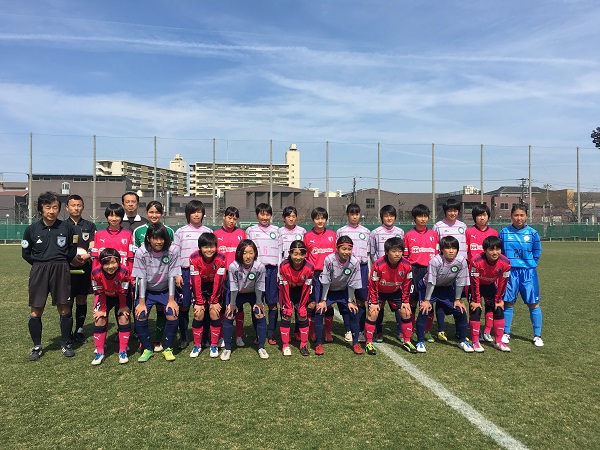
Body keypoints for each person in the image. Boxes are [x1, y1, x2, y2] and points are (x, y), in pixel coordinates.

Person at [22, 191, 79, 361]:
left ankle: (66, 343)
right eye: (48, 207)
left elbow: (72, 249)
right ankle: (37, 346)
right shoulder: (31, 229)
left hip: (61, 268)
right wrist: (40, 264)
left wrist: (61, 262)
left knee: (64, 307)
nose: (52, 211)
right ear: (41, 209)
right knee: (36, 309)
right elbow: (25, 253)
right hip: (39, 269)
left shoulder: (67, 227)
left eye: (55, 207)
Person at [133, 223, 181, 362]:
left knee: (172, 314)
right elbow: (141, 278)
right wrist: (141, 303)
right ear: (148, 238)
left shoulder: (172, 250)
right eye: (155, 238)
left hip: (165, 290)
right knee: (140, 315)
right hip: (147, 290)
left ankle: (168, 348)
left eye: (161, 238)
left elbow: (172, 275)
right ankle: (147, 349)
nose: (159, 242)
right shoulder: (141, 252)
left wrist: (171, 300)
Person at [415, 236, 472, 353]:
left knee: (460, 310)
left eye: (454, 248)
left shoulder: (461, 261)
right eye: (448, 248)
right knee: (424, 310)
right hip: (427, 288)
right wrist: (426, 300)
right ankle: (420, 341)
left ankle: (462, 340)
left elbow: (461, 281)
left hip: (446, 288)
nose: (451, 251)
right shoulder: (435, 261)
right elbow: (431, 282)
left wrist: (457, 299)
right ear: (441, 249)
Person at [498, 204, 544, 347]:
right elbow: (499, 252)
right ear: (511, 216)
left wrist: (529, 264)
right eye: (516, 215)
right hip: (510, 272)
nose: (519, 218)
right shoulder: (504, 232)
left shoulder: (532, 233)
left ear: (526, 216)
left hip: (528, 272)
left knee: (533, 303)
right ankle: (506, 332)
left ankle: (537, 335)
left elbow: (537, 251)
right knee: (508, 302)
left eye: (522, 215)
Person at [171, 200, 212, 351]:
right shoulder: (180, 232)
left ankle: (205, 337)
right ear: (188, 214)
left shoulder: (208, 231)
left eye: (199, 211)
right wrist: (177, 274)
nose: (196, 214)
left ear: (203, 214)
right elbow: (174, 255)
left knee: (204, 306)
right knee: (184, 306)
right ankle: (184, 337)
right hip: (186, 273)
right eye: (193, 212)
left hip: (203, 274)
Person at [220, 239, 269, 360]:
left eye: (251, 253)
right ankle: (227, 348)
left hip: (253, 293)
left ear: (255, 253)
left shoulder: (260, 266)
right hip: (238, 293)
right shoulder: (233, 266)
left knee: (259, 314)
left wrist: (258, 302)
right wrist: (232, 304)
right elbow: (233, 286)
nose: (248, 256)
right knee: (230, 314)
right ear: (239, 253)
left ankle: (261, 347)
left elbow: (259, 286)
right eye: (245, 252)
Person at [315, 235, 363, 355]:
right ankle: (318, 343)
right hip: (327, 289)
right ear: (337, 248)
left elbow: (353, 283)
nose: (346, 252)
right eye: (343, 249)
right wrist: (323, 300)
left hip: (342, 290)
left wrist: (350, 300)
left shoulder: (355, 262)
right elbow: (325, 281)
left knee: (353, 311)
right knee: (320, 311)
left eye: (349, 249)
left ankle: (356, 343)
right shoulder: (329, 259)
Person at [365, 237, 415, 355]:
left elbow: (407, 284)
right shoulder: (378, 264)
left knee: (406, 312)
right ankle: (368, 343)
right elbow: (373, 284)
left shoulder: (407, 265)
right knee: (373, 313)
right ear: (387, 252)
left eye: (400, 251)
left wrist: (405, 301)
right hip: (379, 292)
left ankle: (407, 341)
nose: (397, 254)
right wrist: (374, 302)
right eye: (394, 251)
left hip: (395, 291)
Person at [368, 204, 405, 342]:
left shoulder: (400, 232)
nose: (389, 218)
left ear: (395, 217)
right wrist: (378, 269)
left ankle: (400, 331)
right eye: (386, 216)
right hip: (381, 273)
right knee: (379, 303)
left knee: (399, 304)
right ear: (382, 217)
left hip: (396, 273)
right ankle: (379, 332)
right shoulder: (375, 233)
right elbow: (372, 253)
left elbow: (402, 253)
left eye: (391, 215)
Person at [245, 203, 281, 345]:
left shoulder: (277, 230)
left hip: (272, 271)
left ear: (270, 216)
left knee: (272, 303)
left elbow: (280, 251)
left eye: (267, 214)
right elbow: (247, 252)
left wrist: (279, 271)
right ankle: (259, 334)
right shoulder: (250, 230)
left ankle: (271, 334)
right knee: (257, 303)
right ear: (257, 215)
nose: (265, 217)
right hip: (257, 270)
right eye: (262, 214)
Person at [432, 198, 468, 341]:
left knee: (457, 299)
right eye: (449, 210)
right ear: (445, 211)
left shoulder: (463, 226)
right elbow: (436, 247)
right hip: (443, 269)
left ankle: (459, 331)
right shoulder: (438, 226)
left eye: (455, 210)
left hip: (459, 268)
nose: (452, 213)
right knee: (441, 299)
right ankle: (441, 330)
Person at [469, 236, 511, 352]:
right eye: (491, 249)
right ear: (485, 250)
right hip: (474, 286)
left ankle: (498, 341)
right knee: (476, 309)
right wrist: (476, 300)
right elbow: (474, 282)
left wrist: (499, 299)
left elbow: (503, 282)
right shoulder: (476, 261)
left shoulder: (506, 263)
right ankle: (475, 341)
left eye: (498, 249)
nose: (495, 252)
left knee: (498, 308)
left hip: (490, 285)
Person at [403, 204, 438, 343]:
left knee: (428, 302)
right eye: (419, 216)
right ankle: (410, 329)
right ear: (414, 218)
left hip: (429, 271)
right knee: (412, 301)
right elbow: (405, 257)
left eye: (425, 216)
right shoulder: (408, 235)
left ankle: (426, 331)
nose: (423, 219)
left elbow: (437, 256)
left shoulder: (434, 235)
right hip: (414, 270)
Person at [90, 248, 132, 365]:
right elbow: (99, 292)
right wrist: (102, 310)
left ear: (118, 262)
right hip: (104, 295)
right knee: (100, 319)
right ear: (101, 264)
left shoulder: (124, 271)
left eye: (113, 262)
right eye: (107, 263)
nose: (110, 266)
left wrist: (123, 307)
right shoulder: (95, 273)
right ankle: (100, 352)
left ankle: (122, 351)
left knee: (123, 317)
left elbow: (124, 291)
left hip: (121, 296)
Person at [336, 203, 370, 344]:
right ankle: (348, 330)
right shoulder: (341, 231)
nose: (354, 216)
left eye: (357, 214)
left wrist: (368, 270)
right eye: (352, 213)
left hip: (361, 268)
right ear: (347, 215)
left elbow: (368, 254)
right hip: (346, 269)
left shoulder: (366, 231)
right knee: (346, 300)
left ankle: (361, 330)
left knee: (361, 300)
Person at [189, 233, 227, 358]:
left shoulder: (221, 258)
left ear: (216, 247)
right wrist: (199, 302)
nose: (209, 250)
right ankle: (197, 346)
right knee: (199, 313)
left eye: (212, 246)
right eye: (205, 247)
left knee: (214, 312)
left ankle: (214, 345)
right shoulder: (194, 257)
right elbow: (195, 280)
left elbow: (218, 280)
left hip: (214, 286)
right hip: (200, 286)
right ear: (200, 247)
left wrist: (214, 301)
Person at [65, 194, 97, 343]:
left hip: (85, 267)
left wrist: (86, 256)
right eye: (73, 205)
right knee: (68, 301)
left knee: (82, 299)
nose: (76, 208)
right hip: (67, 269)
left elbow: (92, 245)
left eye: (79, 205)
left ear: (83, 207)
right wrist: (70, 258)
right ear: (67, 208)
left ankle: (79, 330)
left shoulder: (89, 226)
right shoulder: (62, 226)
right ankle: (68, 331)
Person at [213, 206, 247, 347]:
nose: (231, 221)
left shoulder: (241, 233)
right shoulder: (216, 234)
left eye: (234, 218)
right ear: (224, 217)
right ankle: (221, 336)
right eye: (229, 217)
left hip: (238, 275)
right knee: (222, 306)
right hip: (221, 275)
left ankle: (238, 336)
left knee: (238, 306)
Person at [465, 202, 499, 341]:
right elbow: (465, 252)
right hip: (474, 276)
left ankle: (487, 331)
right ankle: (476, 331)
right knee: (475, 305)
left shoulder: (493, 233)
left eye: (484, 215)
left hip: (490, 276)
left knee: (490, 304)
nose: (482, 218)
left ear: (488, 216)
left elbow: (497, 253)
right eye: (479, 215)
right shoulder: (469, 232)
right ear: (474, 217)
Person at [303, 207, 336, 343]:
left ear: (326, 219)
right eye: (317, 218)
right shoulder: (307, 236)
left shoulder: (333, 235)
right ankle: (313, 332)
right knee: (312, 304)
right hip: (313, 274)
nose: (320, 221)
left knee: (328, 304)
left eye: (322, 218)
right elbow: (305, 257)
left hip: (329, 273)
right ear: (313, 220)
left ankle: (327, 332)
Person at [278, 240, 314, 356]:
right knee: (286, 314)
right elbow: (284, 287)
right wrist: (288, 306)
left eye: (301, 254)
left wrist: (302, 305)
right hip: (287, 290)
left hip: (301, 292)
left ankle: (303, 344)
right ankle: (285, 345)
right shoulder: (284, 266)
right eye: (295, 254)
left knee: (302, 315)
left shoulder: (309, 268)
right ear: (289, 253)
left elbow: (307, 288)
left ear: (305, 254)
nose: (298, 257)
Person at [278, 206, 307, 342]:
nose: (291, 218)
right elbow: (278, 251)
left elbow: (305, 252)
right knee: (285, 302)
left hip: (299, 269)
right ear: (284, 217)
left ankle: (296, 330)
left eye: (293, 216)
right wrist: (279, 269)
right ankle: (286, 330)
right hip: (285, 269)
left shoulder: (302, 231)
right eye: (288, 216)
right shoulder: (279, 232)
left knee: (299, 303)